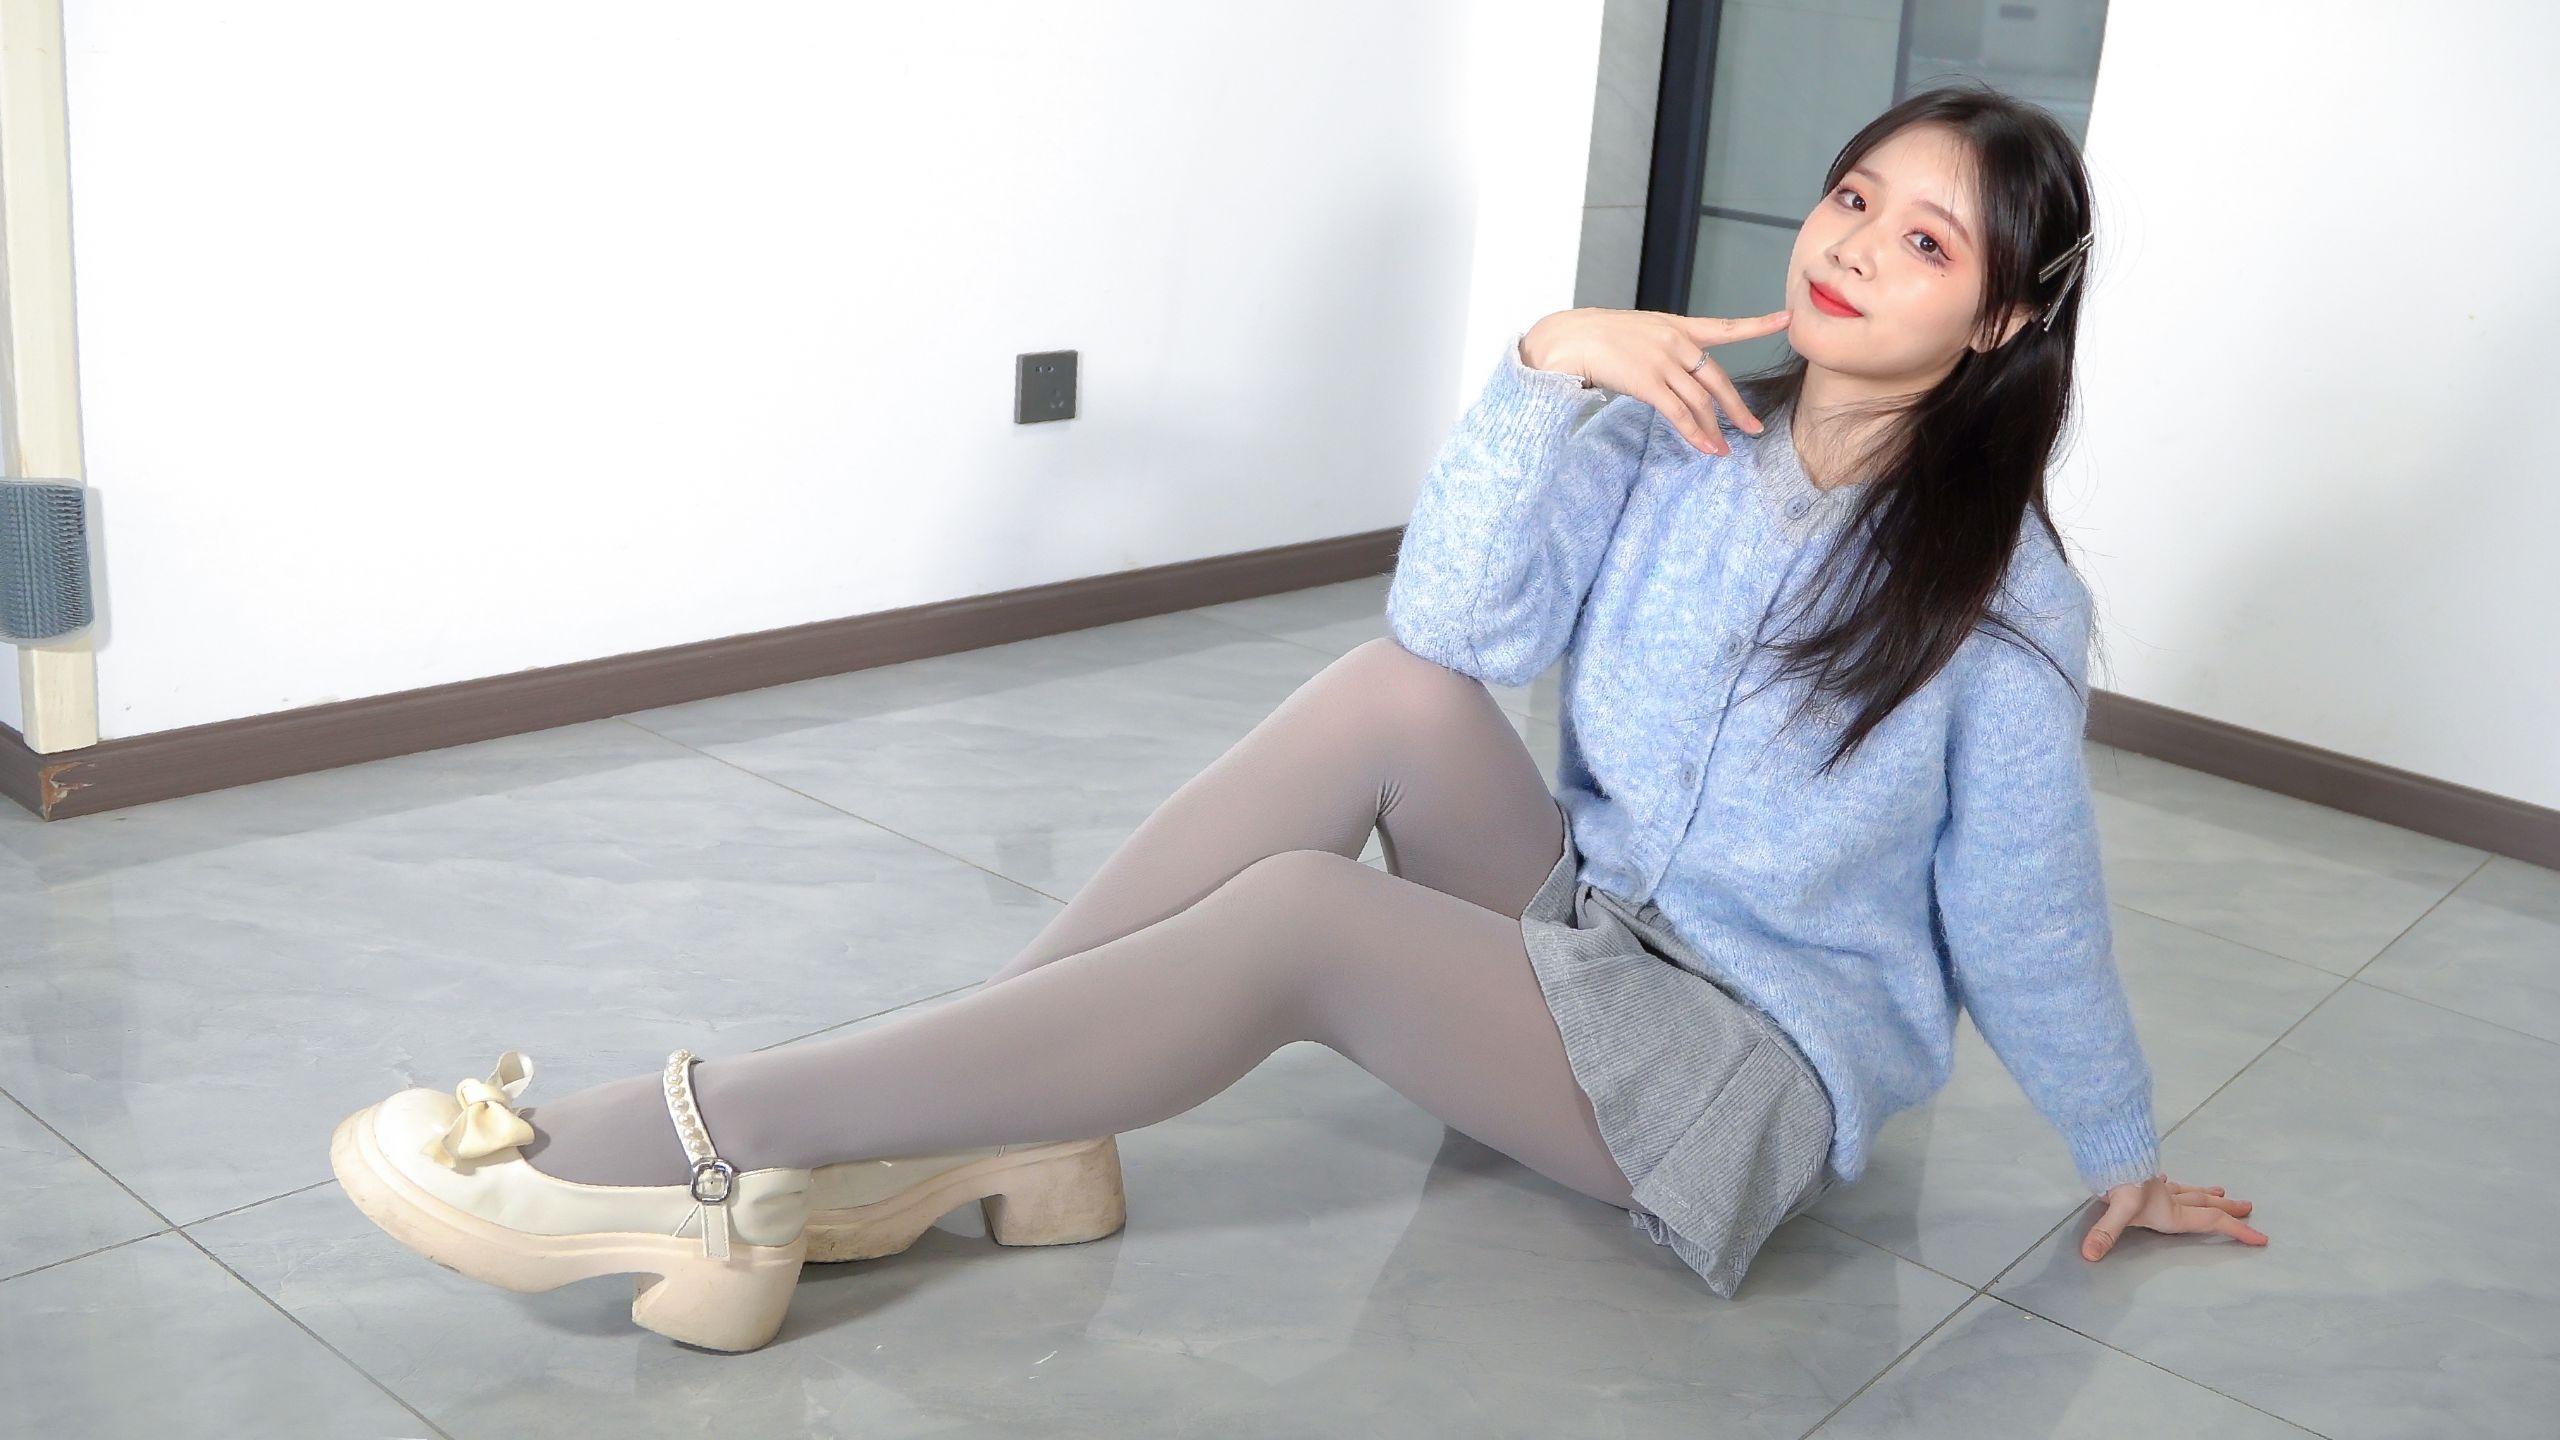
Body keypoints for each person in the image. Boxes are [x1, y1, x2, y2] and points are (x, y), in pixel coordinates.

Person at [329, 81, 2264, 1354]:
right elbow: (1450, 626)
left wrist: (2118, 1145)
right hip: (1590, 934)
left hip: (1732, 1065)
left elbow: (2024, 903)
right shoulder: (1678, 443)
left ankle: (706, 1132)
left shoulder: (2004, 604)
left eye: (1925, 240)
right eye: (1853, 196)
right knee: (1391, 693)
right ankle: (1003, 1130)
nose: (1851, 243)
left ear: (2000, 321)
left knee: (1301, 925)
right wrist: (1544, 368)